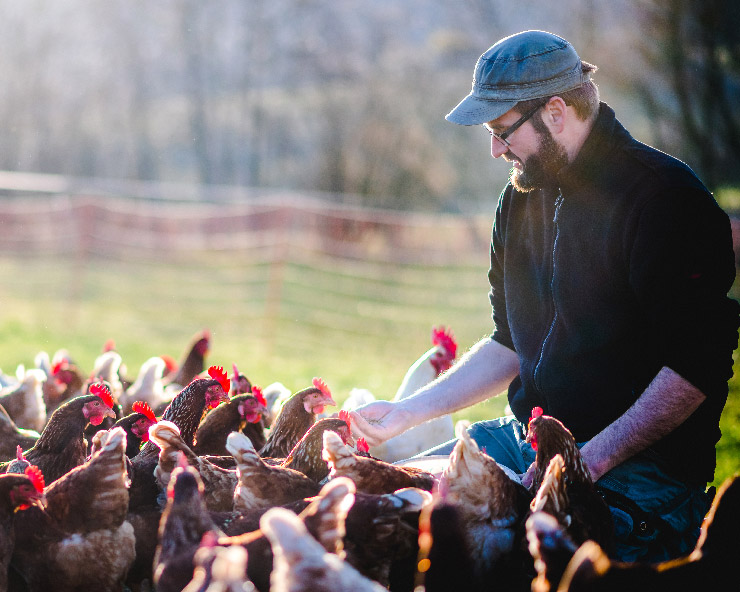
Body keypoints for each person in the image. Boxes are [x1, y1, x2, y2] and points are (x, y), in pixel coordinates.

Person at [350, 30, 740, 562]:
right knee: (375, 511)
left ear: (556, 112)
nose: (494, 149)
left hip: (639, 472)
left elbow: (696, 369)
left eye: (501, 130)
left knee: (492, 561)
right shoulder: (520, 199)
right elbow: (510, 344)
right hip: (524, 440)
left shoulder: (666, 202)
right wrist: (405, 413)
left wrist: (586, 461)